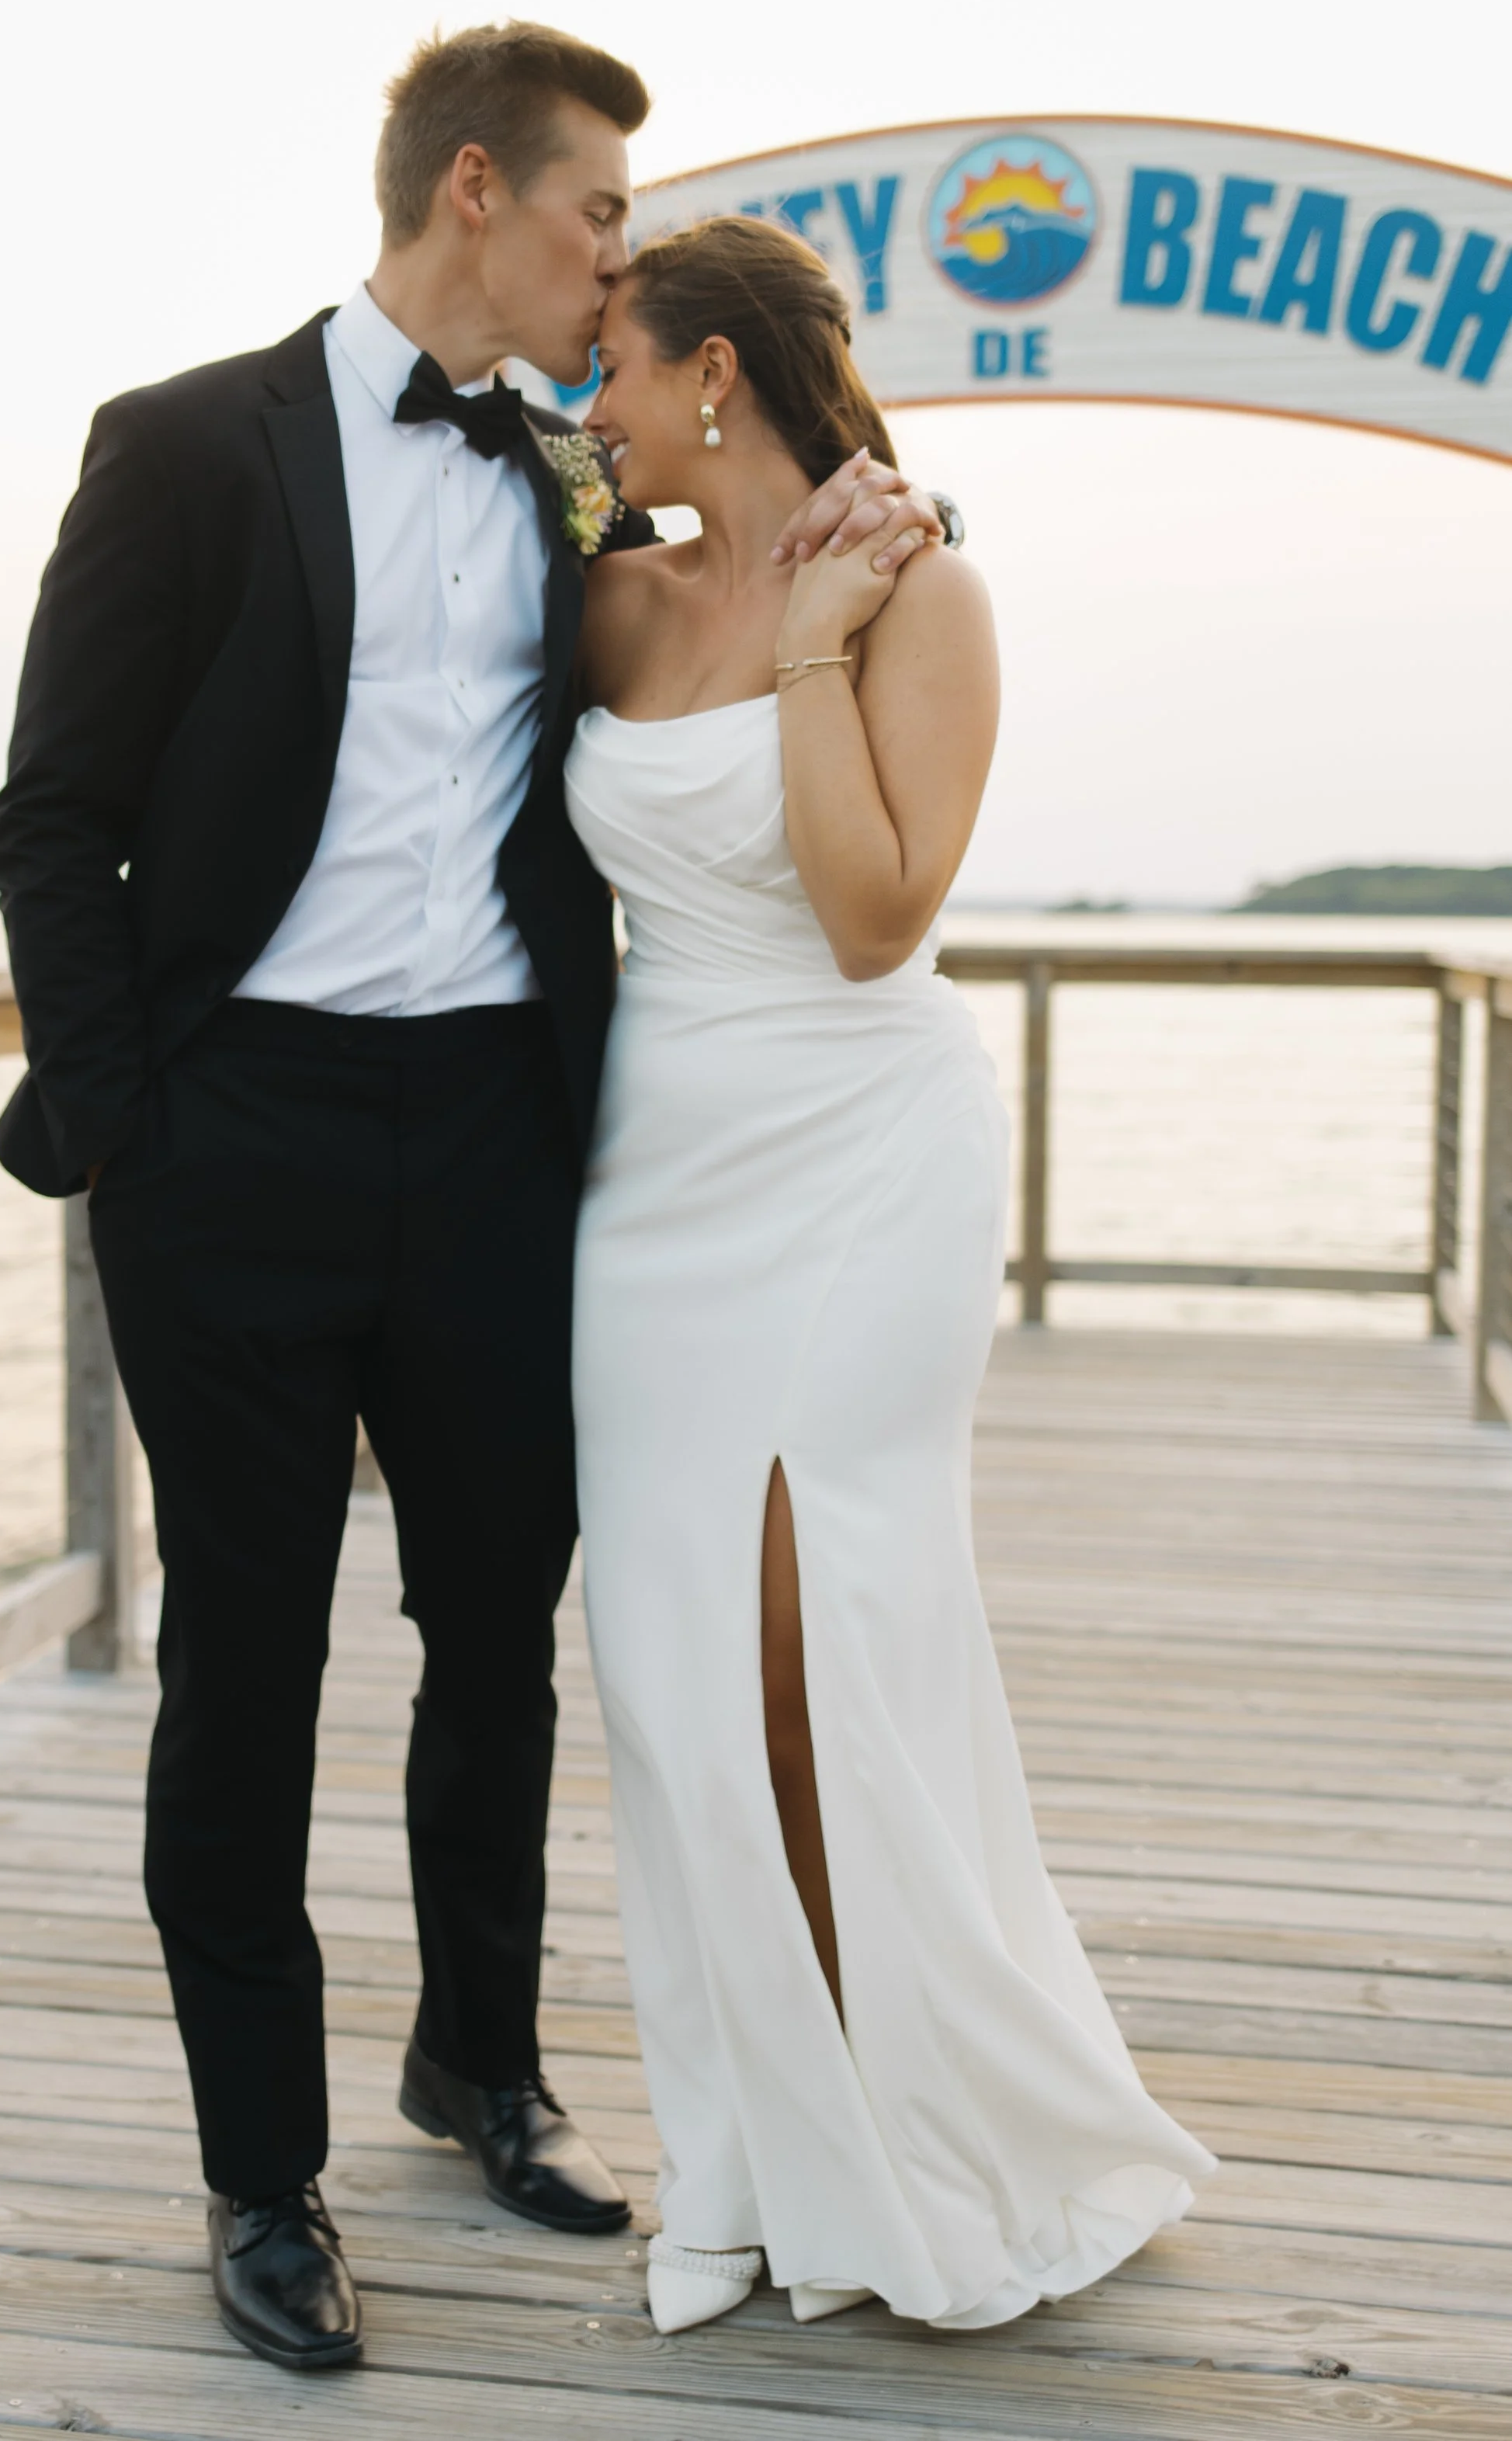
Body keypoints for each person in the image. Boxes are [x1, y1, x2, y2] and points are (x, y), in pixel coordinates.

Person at [0, 30, 945, 2372]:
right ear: (482, 194)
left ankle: (479, 2061)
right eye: (602, 212)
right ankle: (262, 2177)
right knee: (247, 1667)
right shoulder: (185, 445)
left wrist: (860, 542)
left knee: (501, 1642)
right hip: (236, 1149)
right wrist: (129, 1126)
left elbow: (710, 647)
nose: (618, 255)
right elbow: (54, 814)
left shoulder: (567, 479)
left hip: (508, 1153)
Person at [567, 216, 1215, 2339]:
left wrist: (822, 640)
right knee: (668, 1674)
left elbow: (865, 913)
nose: (596, 407)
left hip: (858, 1154)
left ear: (716, 377)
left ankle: (906, 2135)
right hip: (652, 1182)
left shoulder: (929, 593)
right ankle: (743, 2153)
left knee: (816, 1645)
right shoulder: (607, 597)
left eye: (620, 372)